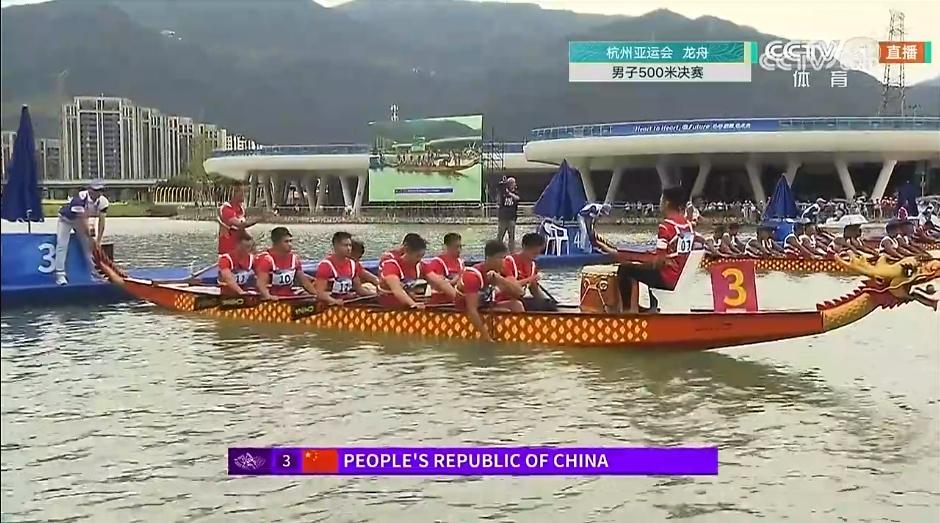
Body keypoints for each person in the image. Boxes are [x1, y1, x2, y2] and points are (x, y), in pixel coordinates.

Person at [616, 186, 695, 314]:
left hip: (669, 278)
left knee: (625, 269)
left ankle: (628, 311)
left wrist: (638, 263)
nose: (660, 203)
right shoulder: (688, 225)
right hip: (682, 275)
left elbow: (658, 262)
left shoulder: (665, 227)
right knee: (646, 271)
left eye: (661, 199)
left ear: (667, 203)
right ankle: (651, 306)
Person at [457, 240, 524, 342]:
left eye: (504, 257)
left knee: (517, 305)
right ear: (488, 258)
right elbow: (471, 310)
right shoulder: (473, 275)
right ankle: (500, 336)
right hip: (465, 310)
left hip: (486, 305)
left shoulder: (502, 269)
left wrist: (500, 279)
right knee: (505, 312)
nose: (503, 261)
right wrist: (487, 338)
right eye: (500, 258)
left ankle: (520, 334)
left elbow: (520, 292)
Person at [378, 235, 457, 309]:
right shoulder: (391, 266)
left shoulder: (420, 266)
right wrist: (413, 304)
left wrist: (458, 300)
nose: (420, 259)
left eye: (422, 256)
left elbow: (441, 283)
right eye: (417, 256)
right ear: (407, 250)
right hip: (389, 307)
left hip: (407, 306)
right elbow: (397, 290)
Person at [54, 182, 110, 286]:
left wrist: (98, 241)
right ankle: (60, 275)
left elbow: (101, 222)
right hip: (66, 220)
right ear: (89, 190)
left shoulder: (103, 202)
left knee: (88, 247)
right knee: (62, 245)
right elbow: (82, 220)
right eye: (95, 190)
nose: (98, 193)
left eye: (100, 191)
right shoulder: (79, 198)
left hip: (81, 220)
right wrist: (90, 238)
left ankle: (94, 274)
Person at [314, 231, 376, 306]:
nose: (349, 248)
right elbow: (319, 293)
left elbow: (359, 290)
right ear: (336, 246)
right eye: (345, 245)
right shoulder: (326, 265)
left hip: (347, 302)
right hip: (330, 304)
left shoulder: (352, 264)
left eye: (350, 245)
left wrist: (376, 295)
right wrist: (334, 301)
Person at [255, 227, 318, 299]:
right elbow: (261, 284)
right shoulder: (266, 260)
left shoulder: (294, 259)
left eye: (290, 241)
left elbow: (304, 282)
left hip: (288, 296)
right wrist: (268, 297)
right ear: (276, 243)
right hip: (272, 298)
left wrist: (316, 295)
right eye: (286, 242)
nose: (290, 244)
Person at [496, 233, 551, 309]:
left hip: (518, 300)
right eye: (533, 251)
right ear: (524, 247)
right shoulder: (509, 261)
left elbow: (534, 290)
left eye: (538, 252)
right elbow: (511, 285)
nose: (536, 254)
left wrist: (547, 302)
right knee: (518, 305)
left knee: (548, 305)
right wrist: (531, 279)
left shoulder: (533, 266)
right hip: (501, 301)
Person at [423, 233, 466, 305]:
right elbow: (439, 285)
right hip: (440, 303)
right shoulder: (437, 262)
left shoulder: (461, 263)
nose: (459, 250)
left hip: (456, 301)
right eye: (456, 247)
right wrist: (458, 278)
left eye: (460, 247)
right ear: (446, 247)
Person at [218, 185, 259, 256]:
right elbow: (239, 225)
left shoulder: (241, 208)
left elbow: (241, 229)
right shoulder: (226, 209)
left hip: (238, 249)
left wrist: (250, 239)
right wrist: (260, 219)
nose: (246, 194)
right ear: (235, 193)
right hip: (227, 251)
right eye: (243, 192)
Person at [218, 230, 257, 295]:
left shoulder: (252, 259)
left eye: (249, 247)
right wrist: (241, 292)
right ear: (237, 245)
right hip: (227, 295)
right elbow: (228, 279)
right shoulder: (225, 260)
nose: (247, 250)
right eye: (244, 247)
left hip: (245, 294)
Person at [496, 176, 521, 251]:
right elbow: (498, 197)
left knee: (511, 237)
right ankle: (498, 250)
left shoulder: (515, 192)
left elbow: (517, 198)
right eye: (512, 183)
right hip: (503, 218)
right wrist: (503, 187)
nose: (514, 184)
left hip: (511, 218)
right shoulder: (502, 192)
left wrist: (509, 193)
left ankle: (511, 251)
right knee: (500, 236)